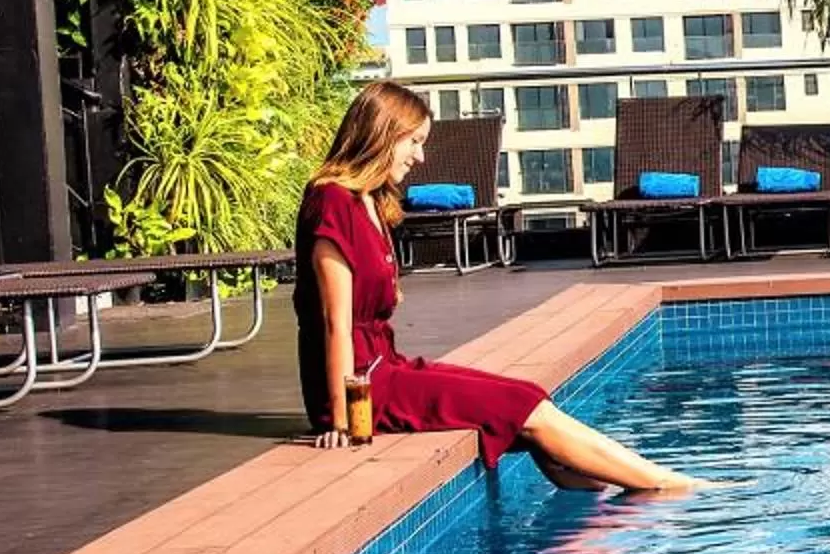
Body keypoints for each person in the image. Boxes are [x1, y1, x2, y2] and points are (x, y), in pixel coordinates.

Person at [298, 81, 696, 493]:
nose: (420, 156)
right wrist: (343, 420)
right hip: (361, 388)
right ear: (381, 133)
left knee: (526, 395)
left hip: (386, 365)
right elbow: (335, 325)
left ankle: (600, 480)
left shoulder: (373, 202)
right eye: (413, 141)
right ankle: (666, 485)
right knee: (524, 410)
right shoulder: (331, 202)